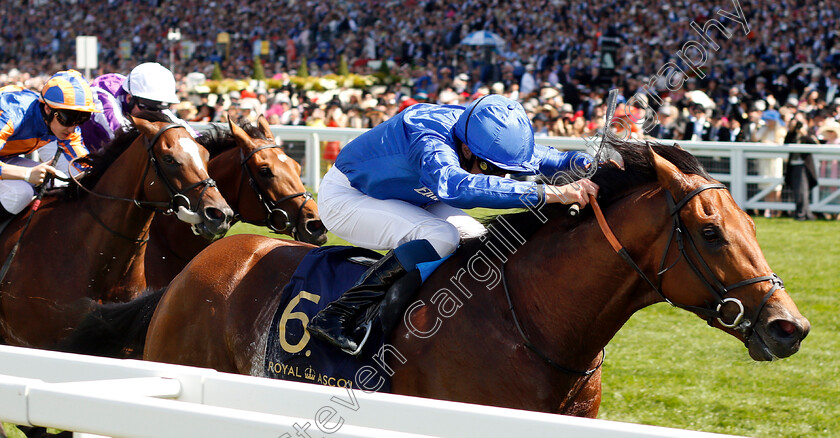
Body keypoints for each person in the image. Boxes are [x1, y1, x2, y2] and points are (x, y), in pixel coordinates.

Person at [308, 95, 599, 353]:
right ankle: (338, 315)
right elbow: (459, 188)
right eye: (493, 169)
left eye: (506, 172)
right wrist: (550, 193)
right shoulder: (428, 137)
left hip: (412, 195)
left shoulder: (483, 136)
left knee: (480, 241)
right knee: (440, 236)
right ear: (468, 150)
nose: (500, 177)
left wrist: (585, 161)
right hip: (348, 196)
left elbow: (548, 157)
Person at [0, 70, 97, 220]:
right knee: (19, 193)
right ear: (48, 109)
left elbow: (84, 167)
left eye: (82, 118)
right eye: (69, 118)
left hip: (4, 156)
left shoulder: (63, 124)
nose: (73, 128)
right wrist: (26, 174)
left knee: (58, 182)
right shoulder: (11, 114)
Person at [79, 62, 196, 152]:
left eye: (158, 109)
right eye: (147, 108)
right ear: (129, 98)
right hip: (81, 153)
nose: (152, 114)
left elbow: (184, 128)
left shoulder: (145, 100)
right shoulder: (103, 95)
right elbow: (121, 136)